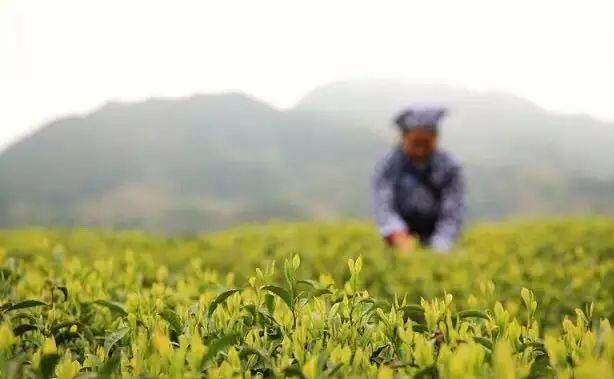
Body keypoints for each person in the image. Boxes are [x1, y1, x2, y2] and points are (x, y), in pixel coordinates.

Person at [371, 105, 465, 253]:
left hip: (438, 239)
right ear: (403, 138)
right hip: (398, 239)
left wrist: (440, 245)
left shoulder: (449, 166)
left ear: (435, 138)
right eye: (415, 143)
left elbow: (452, 212)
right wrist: (398, 234)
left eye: (426, 144)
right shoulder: (388, 164)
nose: (420, 150)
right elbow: (383, 205)